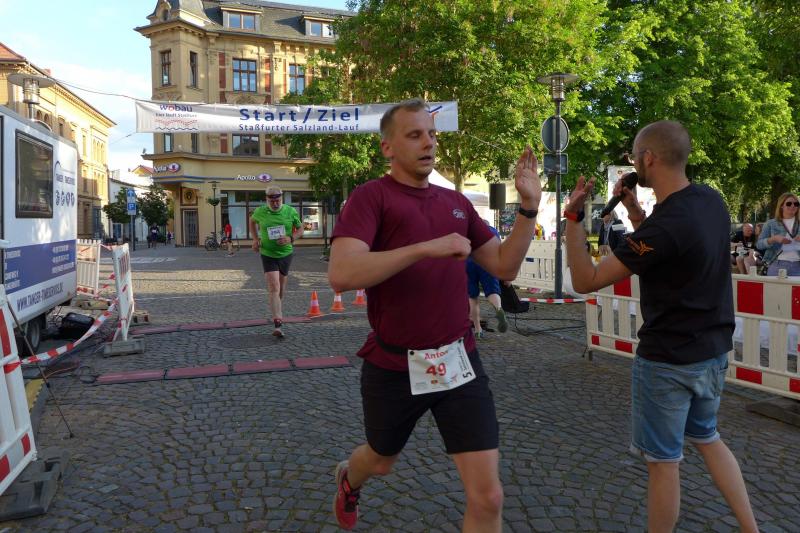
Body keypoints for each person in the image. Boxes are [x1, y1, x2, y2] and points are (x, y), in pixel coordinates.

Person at [327, 98, 540, 532]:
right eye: (415, 135)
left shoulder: (455, 202)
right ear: (388, 147)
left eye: (432, 134)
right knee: (380, 461)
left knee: (489, 497)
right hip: (394, 365)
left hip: (458, 361)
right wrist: (427, 248)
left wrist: (528, 208)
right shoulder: (371, 197)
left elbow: (504, 267)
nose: (428, 143)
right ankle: (349, 479)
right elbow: (342, 274)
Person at [564, 121, 758, 533]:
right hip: (711, 352)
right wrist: (636, 212)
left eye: (634, 156)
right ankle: (750, 528)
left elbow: (585, 280)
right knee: (708, 437)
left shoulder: (664, 225)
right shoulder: (710, 200)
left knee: (663, 463)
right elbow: (667, 250)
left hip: (668, 360)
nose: (633, 163)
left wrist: (573, 218)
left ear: (648, 158)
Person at [249, 186, 303, 338]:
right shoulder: (260, 211)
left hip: (286, 254)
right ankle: (278, 323)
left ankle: (278, 306)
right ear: (267, 199)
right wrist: (255, 239)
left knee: (281, 289)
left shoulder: (290, 211)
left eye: (278, 200)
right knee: (273, 286)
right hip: (268, 253)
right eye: (272, 201)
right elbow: (252, 222)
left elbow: (300, 230)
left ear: (281, 198)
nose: (275, 203)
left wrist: (290, 238)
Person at [466, 221, 508, 339]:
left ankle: (478, 330)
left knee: (472, 297)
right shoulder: (493, 231)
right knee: (492, 291)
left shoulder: (468, 230)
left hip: (469, 262)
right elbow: (500, 251)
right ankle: (498, 308)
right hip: (488, 262)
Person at [756, 193, 800, 276]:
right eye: (789, 203)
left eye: (796, 204)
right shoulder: (771, 223)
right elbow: (759, 245)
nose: (793, 206)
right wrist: (773, 239)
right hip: (776, 265)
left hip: (798, 266)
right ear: (781, 206)